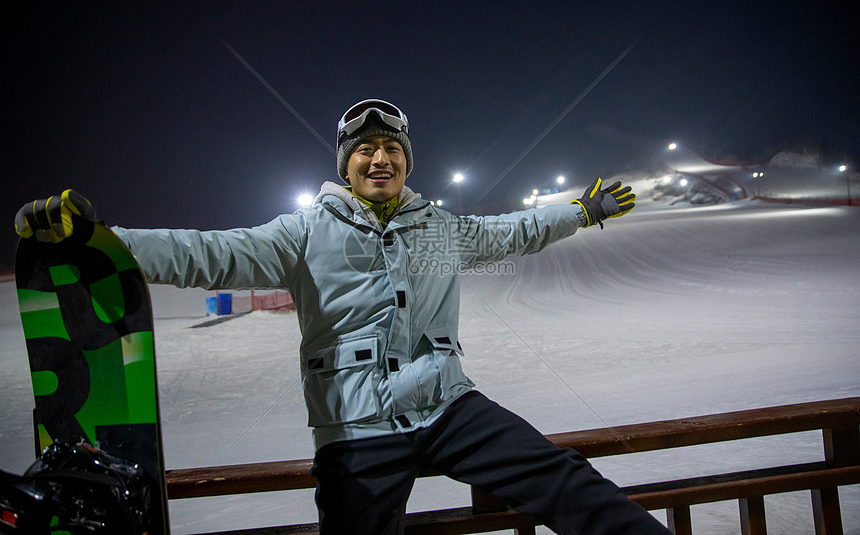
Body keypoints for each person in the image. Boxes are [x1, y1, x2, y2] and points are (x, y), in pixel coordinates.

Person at [16, 99, 670, 535]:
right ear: (346, 163)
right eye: (365, 149)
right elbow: (208, 253)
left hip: (447, 404)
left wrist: (581, 210)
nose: (379, 157)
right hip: (355, 428)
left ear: (407, 160)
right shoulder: (303, 234)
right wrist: (100, 240)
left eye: (392, 147)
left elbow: (515, 229)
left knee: (564, 478)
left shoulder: (439, 229)